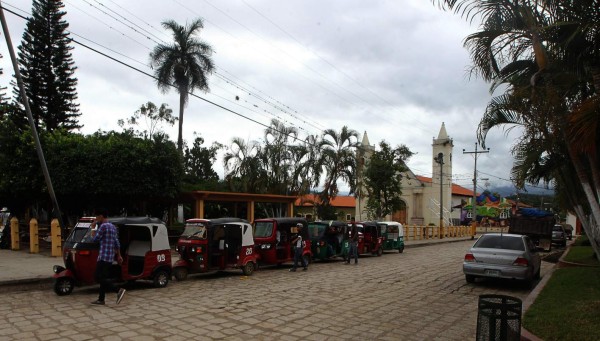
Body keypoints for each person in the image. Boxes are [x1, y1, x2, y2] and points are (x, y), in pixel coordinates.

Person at [90, 209, 126, 305]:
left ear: (101, 216)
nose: (96, 219)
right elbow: (117, 243)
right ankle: (101, 299)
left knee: (97, 277)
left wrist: (93, 228)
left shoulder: (103, 226)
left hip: (103, 257)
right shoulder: (113, 227)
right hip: (110, 258)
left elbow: (94, 239)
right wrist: (119, 255)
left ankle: (118, 290)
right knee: (103, 278)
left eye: (97, 217)